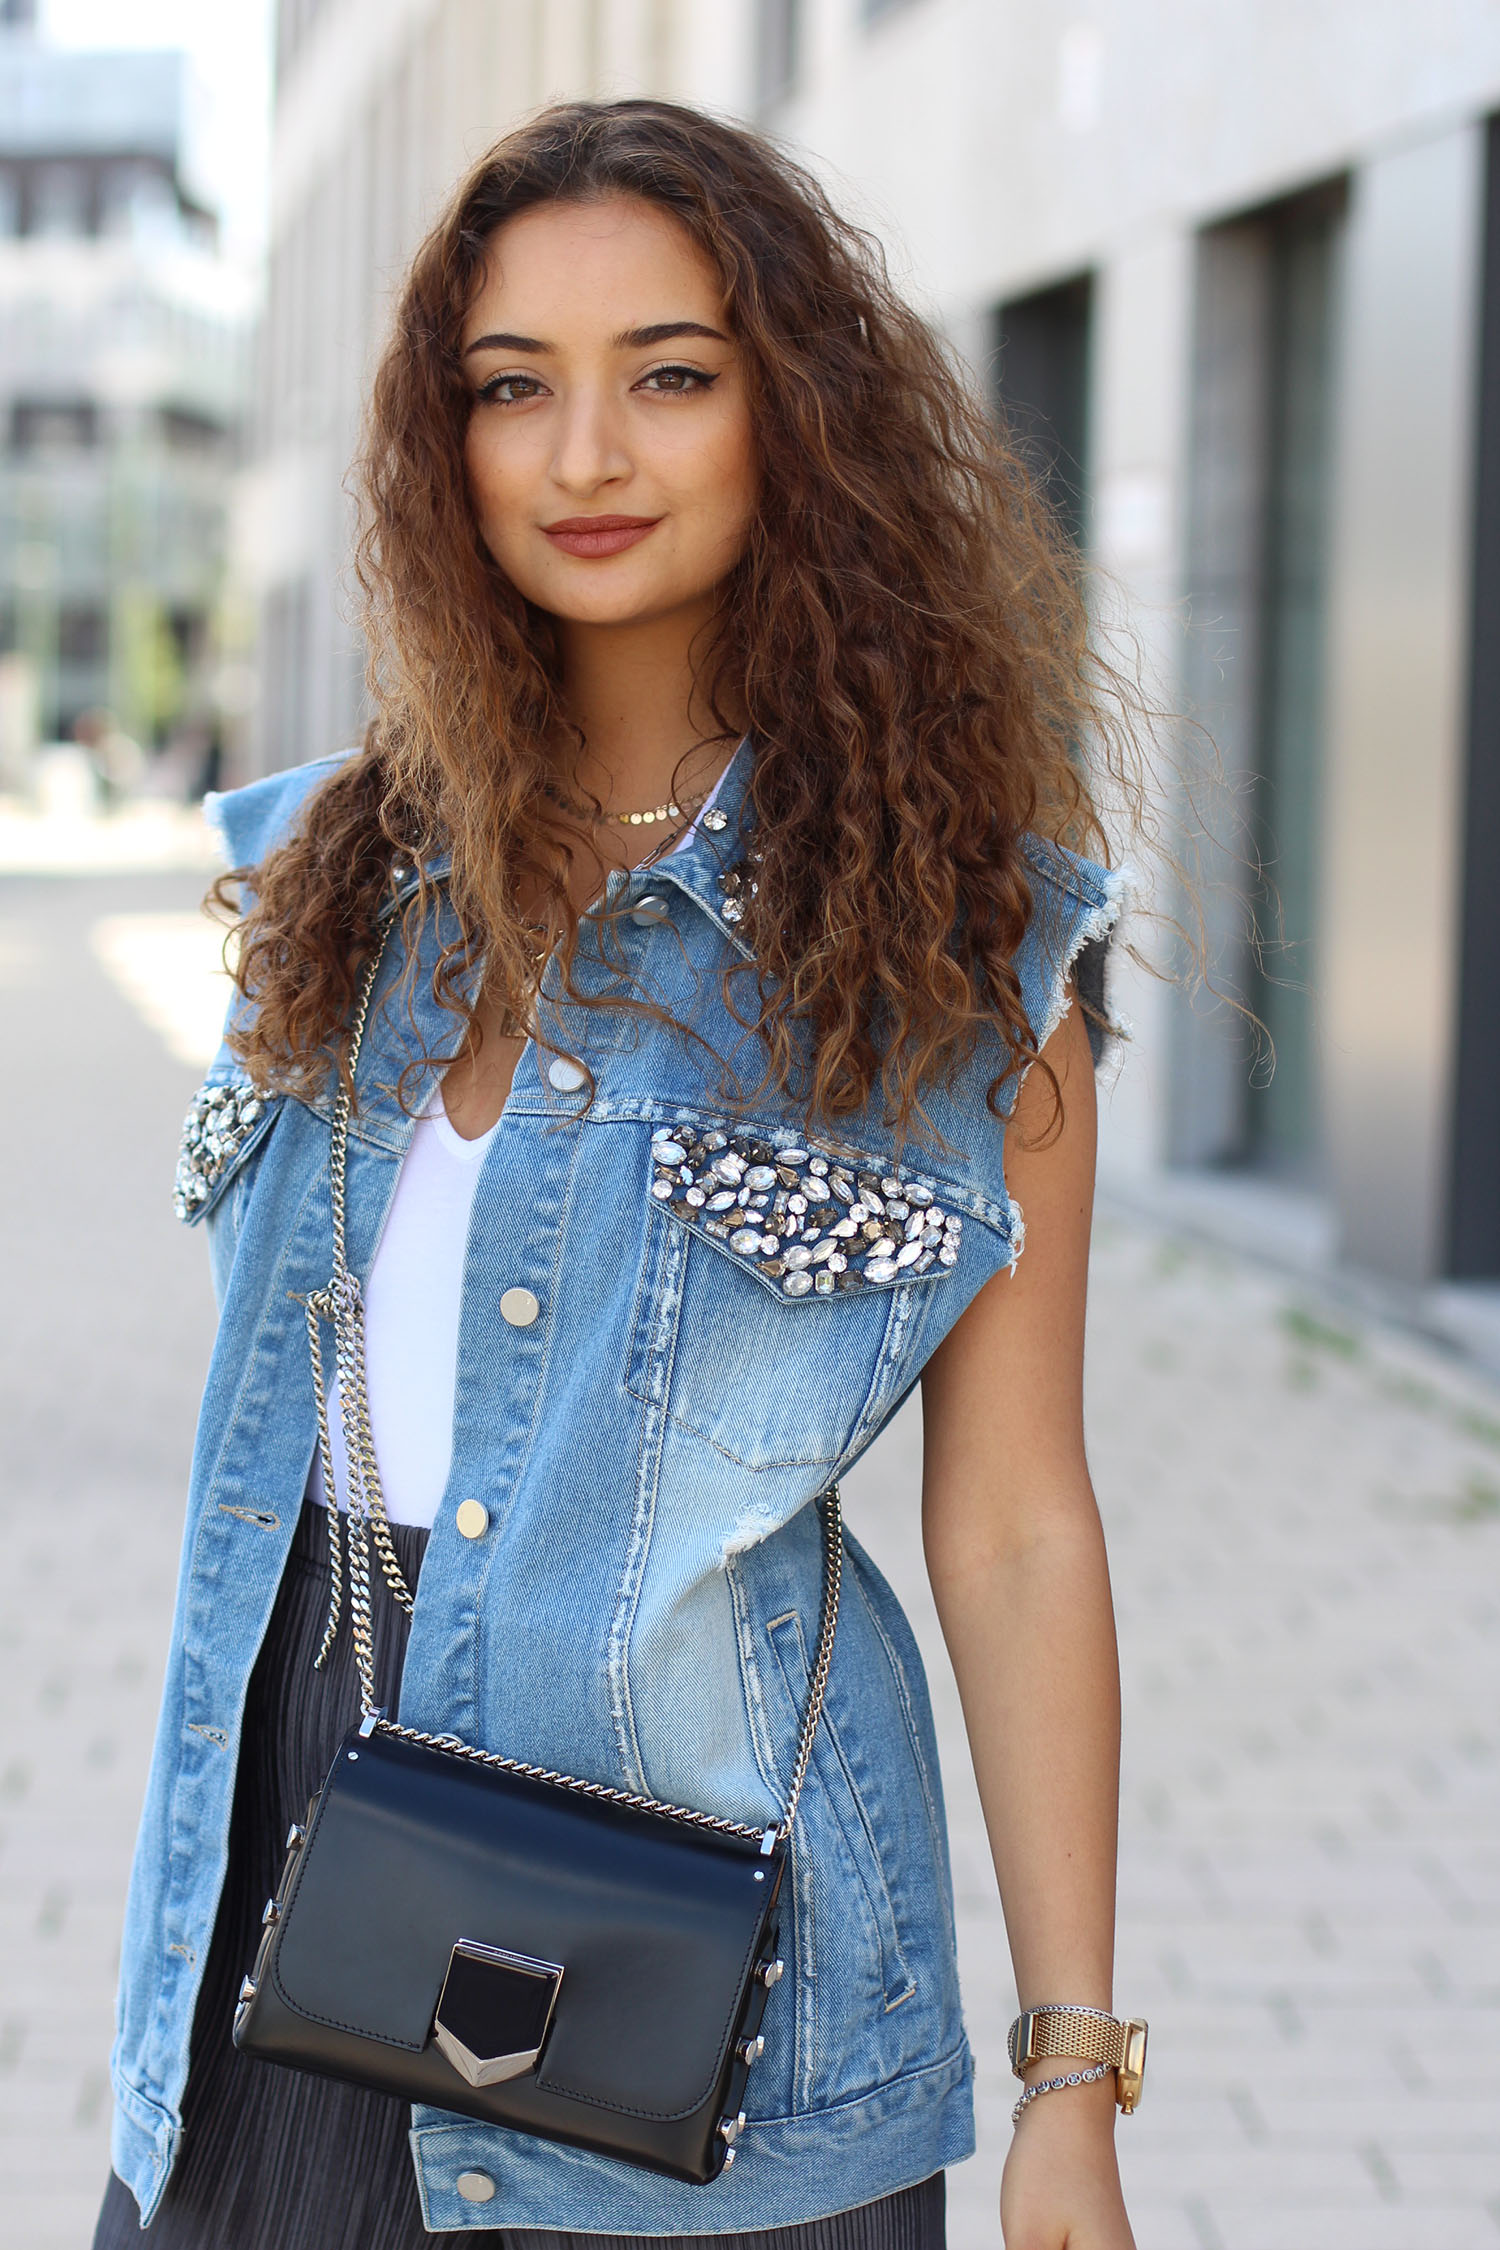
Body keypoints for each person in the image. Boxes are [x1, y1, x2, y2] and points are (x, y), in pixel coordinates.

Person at [94, 99, 1144, 2250]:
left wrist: (1073, 2077)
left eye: (670, 374)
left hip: (726, 2016)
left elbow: (1020, 1525)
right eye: (512, 389)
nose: (585, 455)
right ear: (435, 441)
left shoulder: (956, 956)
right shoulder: (319, 890)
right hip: (285, 1905)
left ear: (795, 421)